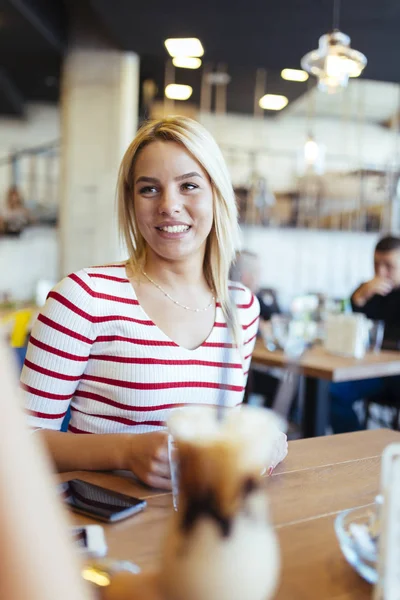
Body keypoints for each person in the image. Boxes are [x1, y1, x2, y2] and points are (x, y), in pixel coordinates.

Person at [21, 116, 287, 489]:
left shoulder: (241, 307)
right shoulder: (85, 297)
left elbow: (221, 426)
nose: (169, 205)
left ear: (217, 195)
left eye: (189, 186)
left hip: (204, 520)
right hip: (108, 524)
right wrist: (126, 451)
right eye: (149, 189)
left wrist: (264, 440)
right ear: (131, 202)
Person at [330, 235, 400, 433]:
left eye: (389, 266)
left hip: (395, 374)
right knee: (332, 392)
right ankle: (357, 446)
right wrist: (358, 299)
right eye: (376, 264)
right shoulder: (368, 290)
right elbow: (339, 325)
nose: (380, 272)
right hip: (372, 371)